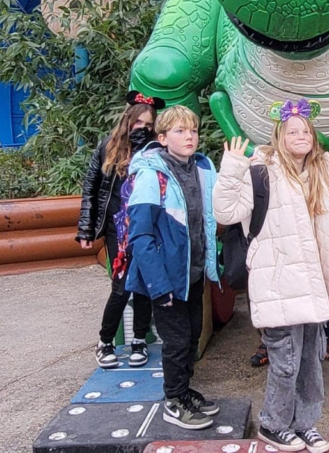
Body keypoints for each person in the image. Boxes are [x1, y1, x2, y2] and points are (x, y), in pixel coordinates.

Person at [214, 98, 329, 453]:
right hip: (279, 282)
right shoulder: (261, 170)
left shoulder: (320, 171)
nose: (301, 136)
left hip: (314, 286)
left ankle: (305, 424)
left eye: (306, 131)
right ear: (280, 136)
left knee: (311, 363)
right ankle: (272, 425)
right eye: (293, 131)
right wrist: (232, 168)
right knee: (285, 363)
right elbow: (226, 210)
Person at [126, 104, 221, 430]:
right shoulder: (152, 174)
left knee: (192, 336)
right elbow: (140, 235)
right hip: (164, 279)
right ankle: (173, 401)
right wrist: (158, 284)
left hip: (191, 273)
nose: (189, 136)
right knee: (177, 341)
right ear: (163, 138)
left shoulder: (203, 168)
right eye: (180, 131)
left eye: (193, 130)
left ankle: (184, 390)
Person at [77, 92, 160, 369]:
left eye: (148, 125)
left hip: (145, 226)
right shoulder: (107, 147)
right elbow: (91, 188)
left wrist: (149, 147)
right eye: (139, 124)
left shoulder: (155, 149)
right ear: (127, 121)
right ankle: (105, 341)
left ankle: (139, 339)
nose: (143, 129)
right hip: (117, 229)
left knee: (145, 286)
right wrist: (86, 230)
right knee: (122, 286)